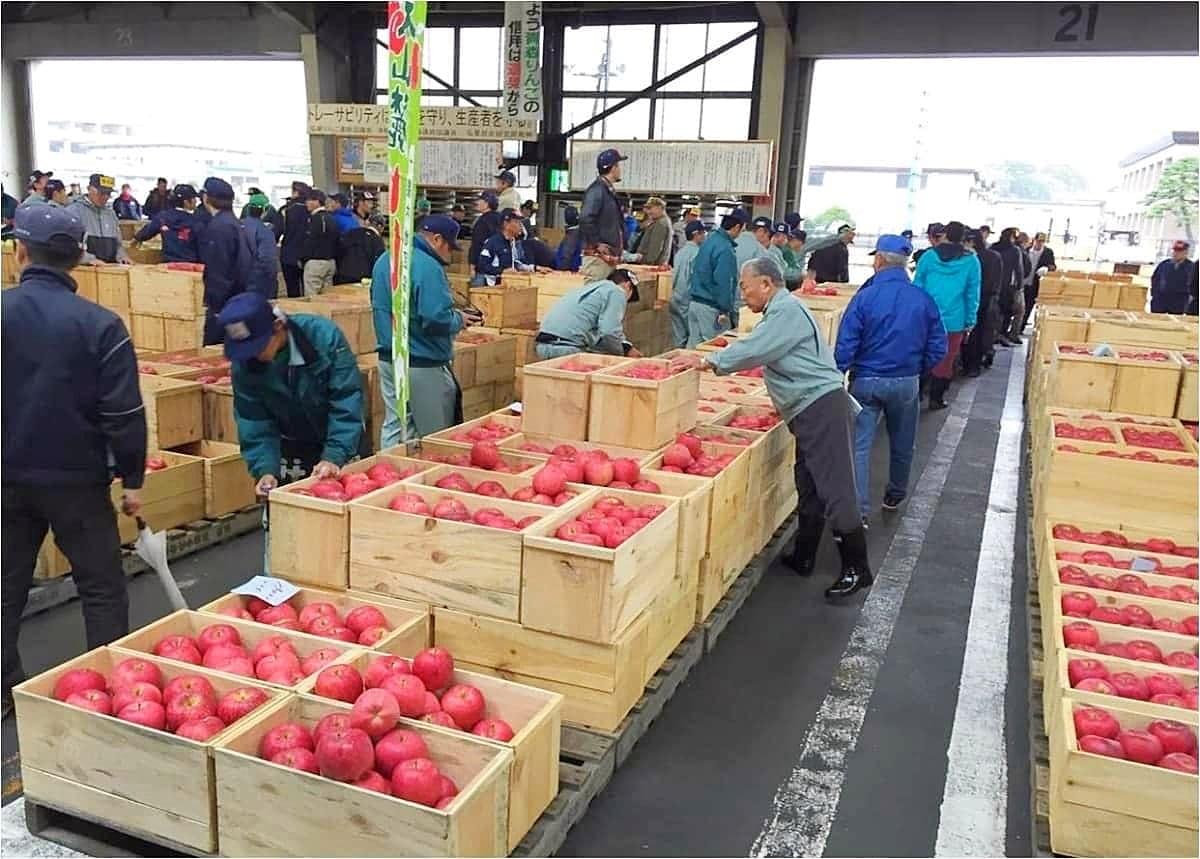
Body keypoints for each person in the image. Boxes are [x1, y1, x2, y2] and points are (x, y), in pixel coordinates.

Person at [2, 204, 146, 718]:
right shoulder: (101, 325)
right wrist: (132, 477)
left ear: (19, 252)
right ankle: (105, 691)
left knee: (5, 583)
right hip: (78, 480)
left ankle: (4, 690)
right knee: (102, 585)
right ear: (80, 258)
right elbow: (124, 411)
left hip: (7, 478)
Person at [674, 257, 871, 599]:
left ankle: (857, 568)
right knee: (809, 483)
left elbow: (757, 348)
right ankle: (805, 554)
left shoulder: (786, 312)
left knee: (836, 485)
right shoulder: (783, 310)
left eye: (745, 286)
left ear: (766, 284)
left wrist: (708, 360)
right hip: (808, 408)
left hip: (821, 406)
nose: (742, 293)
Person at [835, 235, 946, 520]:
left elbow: (846, 344)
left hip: (867, 380)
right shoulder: (923, 299)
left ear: (880, 260)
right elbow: (938, 346)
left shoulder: (865, 297)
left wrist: (839, 373)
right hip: (906, 380)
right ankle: (895, 495)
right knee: (903, 442)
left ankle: (858, 512)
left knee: (859, 446)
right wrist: (918, 369)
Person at [219, 292, 363, 498]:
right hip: (289, 445)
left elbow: (346, 399)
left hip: (338, 438)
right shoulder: (244, 365)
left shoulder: (323, 337)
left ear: (278, 327)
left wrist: (334, 455)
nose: (252, 355)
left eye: (257, 347)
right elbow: (253, 420)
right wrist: (265, 470)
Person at [371, 215, 481, 443]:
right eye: (450, 247)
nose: (450, 255)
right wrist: (458, 320)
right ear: (437, 239)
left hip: (389, 358)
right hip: (421, 363)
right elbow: (435, 319)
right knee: (434, 438)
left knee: (397, 426)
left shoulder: (386, 258)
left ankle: (388, 475)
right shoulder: (427, 265)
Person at [912, 220, 980, 410]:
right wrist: (970, 321)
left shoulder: (928, 256)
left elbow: (917, 285)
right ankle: (936, 398)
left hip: (926, 317)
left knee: (921, 353)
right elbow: (972, 293)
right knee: (946, 359)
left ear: (946, 235)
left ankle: (915, 396)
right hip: (954, 320)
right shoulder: (971, 261)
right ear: (964, 238)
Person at [535, 269, 642, 359]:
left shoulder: (589, 290)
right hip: (567, 348)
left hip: (543, 346)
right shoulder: (616, 292)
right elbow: (609, 332)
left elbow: (598, 337)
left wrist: (626, 346)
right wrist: (623, 354)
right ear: (628, 286)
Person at [197, 177, 253, 343]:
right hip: (240, 301)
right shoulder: (236, 224)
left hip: (225, 306)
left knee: (217, 355)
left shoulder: (219, 227)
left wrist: (217, 307)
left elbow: (219, 269)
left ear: (206, 198)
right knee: (239, 349)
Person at [687, 209, 746, 347]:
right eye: (743, 229)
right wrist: (725, 309)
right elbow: (724, 282)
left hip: (695, 304)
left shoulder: (709, 241)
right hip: (711, 308)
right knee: (714, 350)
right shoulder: (725, 249)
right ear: (737, 227)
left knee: (692, 351)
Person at [578, 148, 628, 281]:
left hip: (606, 259)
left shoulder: (606, 190)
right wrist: (596, 243)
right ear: (613, 167)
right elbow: (585, 218)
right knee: (596, 298)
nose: (620, 169)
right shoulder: (597, 190)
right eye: (618, 165)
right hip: (598, 260)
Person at [961, 229, 1003, 376]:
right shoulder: (994, 256)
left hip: (975, 301)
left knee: (972, 335)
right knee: (979, 334)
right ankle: (974, 364)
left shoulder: (968, 258)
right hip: (986, 301)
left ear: (971, 242)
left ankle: (970, 365)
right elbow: (997, 282)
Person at [68, 174, 131, 265]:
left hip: (110, 270)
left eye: (108, 193)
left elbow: (118, 244)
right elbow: (67, 245)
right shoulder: (74, 211)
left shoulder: (111, 214)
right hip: (85, 270)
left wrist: (122, 256)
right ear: (89, 189)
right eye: (101, 193)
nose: (105, 197)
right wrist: (87, 259)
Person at [132, 183, 200, 263]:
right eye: (194, 198)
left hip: (168, 264)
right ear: (186, 202)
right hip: (190, 266)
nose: (196, 201)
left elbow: (148, 230)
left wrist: (136, 239)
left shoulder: (163, 217)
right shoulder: (196, 221)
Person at [669, 220, 706, 346]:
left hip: (674, 297)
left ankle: (676, 361)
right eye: (703, 233)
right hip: (687, 299)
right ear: (697, 235)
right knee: (692, 336)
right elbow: (695, 279)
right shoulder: (697, 253)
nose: (705, 236)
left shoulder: (680, 252)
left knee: (678, 337)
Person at [476, 209, 536, 286]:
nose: (520, 226)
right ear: (506, 224)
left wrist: (533, 268)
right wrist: (502, 271)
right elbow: (482, 266)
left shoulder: (513, 242)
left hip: (509, 286)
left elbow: (515, 263)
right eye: (516, 222)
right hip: (494, 288)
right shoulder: (492, 242)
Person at [242, 192, 281, 299]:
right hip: (258, 281)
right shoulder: (264, 231)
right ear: (265, 210)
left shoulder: (237, 226)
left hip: (238, 280)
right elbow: (268, 260)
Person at [334, 206, 385, 285]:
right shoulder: (378, 241)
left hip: (343, 275)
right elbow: (378, 264)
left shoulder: (351, 232)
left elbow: (339, 250)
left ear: (367, 222)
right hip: (363, 279)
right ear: (380, 227)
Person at [990, 227, 1024, 346]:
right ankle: (1002, 334)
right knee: (1006, 311)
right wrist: (1019, 286)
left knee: (993, 311)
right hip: (1006, 286)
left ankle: (992, 334)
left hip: (992, 284)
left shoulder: (993, 247)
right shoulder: (1015, 250)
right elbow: (1019, 270)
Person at [301, 189, 337, 295]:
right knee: (326, 297)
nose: (306, 203)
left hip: (315, 262)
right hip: (330, 262)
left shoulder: (315, 219)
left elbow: (310, 241)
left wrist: (303, 258)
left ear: (317, 201)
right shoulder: (331, 218)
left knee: (312, 298)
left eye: (308, 200)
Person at [280, 181, 311, 298]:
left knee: (293, 290)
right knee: (308, 290)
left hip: (289, 255)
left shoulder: (287, 209)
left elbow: (277, 231)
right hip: (306, 256)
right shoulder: (311, 210)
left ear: (296, 192)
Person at [1151, 240, 1198, 314]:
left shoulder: (1191, 267)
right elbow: (1155, 279)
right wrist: (1154, 294)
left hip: (1178, 304)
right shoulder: (1164, 264)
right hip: (1160, 302)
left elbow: (1193, 284)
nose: (1176, 253)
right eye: (1175, 250)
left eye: (1179, 251)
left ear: (1186, 252)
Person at [1022, 232, 1057, 328]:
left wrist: (1046, 268)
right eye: (1038, 241)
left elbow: (1053, 266)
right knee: (1019, 307)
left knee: (1028, 306)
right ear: (1034, 240)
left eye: (1042, 241)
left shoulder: (1048, 252)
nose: (1040, 243)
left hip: (1035, 284)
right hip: (1023, 283)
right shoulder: (1027, 250)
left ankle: (1020, 327)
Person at [468, 190, 502, 270]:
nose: (477, 203)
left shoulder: (483, 221)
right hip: (498, 263)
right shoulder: (500, 218)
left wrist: (473, 264)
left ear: (487, 204)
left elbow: (477, 244)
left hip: (482, 264)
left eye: (480, 200)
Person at [637, 196, 673, 266]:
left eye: (650, 208)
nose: (648, 212)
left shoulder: (661, 223)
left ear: (659, 208)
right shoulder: (659, 221)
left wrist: (648, 262)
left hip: (651, 265)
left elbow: (655, 248)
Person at [554, 205, 583, 272]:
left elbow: (565, 260)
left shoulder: (572, 236)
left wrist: (560, 272)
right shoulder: (580, 232)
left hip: (569, 273)